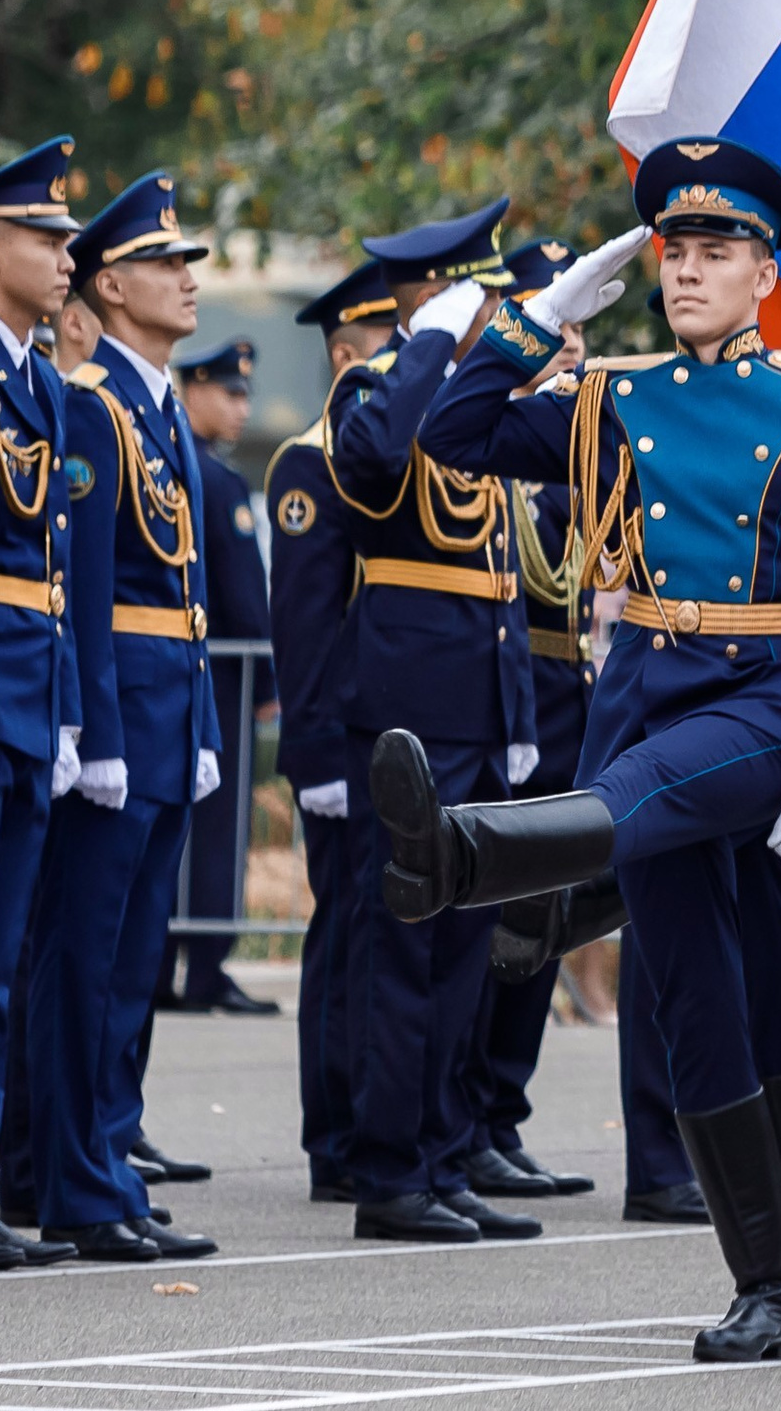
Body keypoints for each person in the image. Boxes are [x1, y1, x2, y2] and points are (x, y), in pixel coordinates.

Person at [402, 145, 781, 1361]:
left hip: (768, 699)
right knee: (713, 997)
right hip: (650, 688)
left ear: (764, 273)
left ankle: (470, 854)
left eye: (715, 252)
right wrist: (541, 316)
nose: (685, 271)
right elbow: (446, 432)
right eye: (674, 251)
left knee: (654, 823)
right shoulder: (612, 394)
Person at [317, 198, 543, 1246]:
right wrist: (428, 341)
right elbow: (376, 455)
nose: (494, 312)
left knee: (461, 953)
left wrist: (522, 715)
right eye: (479, 296)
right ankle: (390, 1173)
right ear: (436, 298)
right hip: (409, 716)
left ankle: (444, 1157)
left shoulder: (473, 410)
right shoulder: (378, 389)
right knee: (403, 951)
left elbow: (503, 577)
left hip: (479, 713)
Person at [22, 176, 221, 1264]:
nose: (189, 278)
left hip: (164, 712)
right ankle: (74, 1182)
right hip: (118, 725)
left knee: (131, 960)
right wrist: (95, 736)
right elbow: (86, 589)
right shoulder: (95, 402)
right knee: (86, 958)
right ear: (110, 282)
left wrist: (198, 727)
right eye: (168, 261)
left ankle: (103, 1161)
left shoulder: (152, 402)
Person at [0, 140, 85, 1272]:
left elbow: (54, 563)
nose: (66, 254)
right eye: (47, 236)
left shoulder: (35, 377)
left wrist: (72, 712)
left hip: (30, 693)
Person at [454, 242, 600, 1207]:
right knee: (490, 923)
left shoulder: (579, 453)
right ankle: (465, 1118)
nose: (570, 350)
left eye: (578, 333)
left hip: (570, 704)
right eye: (553, 332)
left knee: (540, 926)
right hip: (515, 702)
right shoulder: (499, 459)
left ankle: (501, 1114)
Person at [265, 255, 395, 1202]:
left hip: (384, 734)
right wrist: (313, 754)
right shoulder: (313, 459)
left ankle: (375, 1123)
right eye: (394, 337)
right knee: (346, 934)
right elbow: (307, 623)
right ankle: (335, 1134)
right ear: (348, 351)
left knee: (381, 933)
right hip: (342, 739)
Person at [168, 336, 280, 1018]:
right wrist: (268, 682)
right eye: (230, 394)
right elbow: (245, 593)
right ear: (194, 391)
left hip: (191, 674)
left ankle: (166, 966)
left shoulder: (191, 464)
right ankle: (206, 967)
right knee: (216, 825)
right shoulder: (213, 478)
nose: (243, 408)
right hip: (224, 681)